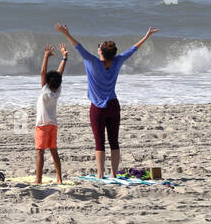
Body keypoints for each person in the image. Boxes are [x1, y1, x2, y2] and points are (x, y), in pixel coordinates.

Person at [55, 23, 158, 177]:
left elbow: (78, 47)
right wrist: (146, 36)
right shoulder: (118, 61)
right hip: (113, 105)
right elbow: (133, 49)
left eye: (99, 47)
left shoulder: (92, 62)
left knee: (99, 143)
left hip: (97, 108)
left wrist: (66, 33)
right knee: (114, 141)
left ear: (101, 52)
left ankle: (100, 174)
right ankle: (114, 174)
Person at [34, 44, 68, 184]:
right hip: (53, 124)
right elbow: (59, 74)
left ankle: (38, 179)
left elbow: (43, 72)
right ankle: (59, 178)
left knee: (40, 152)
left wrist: (46, 56)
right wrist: (64, 58)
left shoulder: (45, 90)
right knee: (54, 151)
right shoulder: (57, 91)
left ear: (47, 82)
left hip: (42, 124)